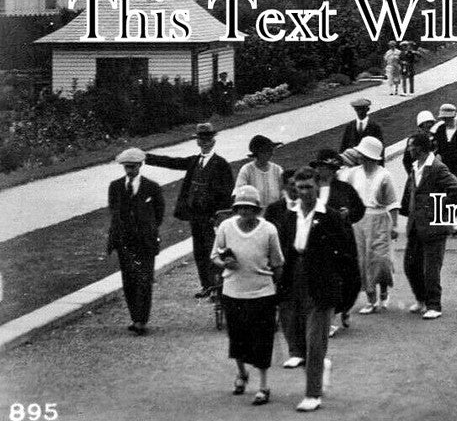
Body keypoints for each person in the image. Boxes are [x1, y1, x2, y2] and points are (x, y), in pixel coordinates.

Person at [277, 168, 361, 413]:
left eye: (308, 187)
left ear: (317, 187)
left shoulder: (331, 217)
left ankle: (312, 394)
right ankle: (320, 367)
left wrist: (343, 296)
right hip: (295, 282)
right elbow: (284, 252)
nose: (304, 192)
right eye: (299, 187)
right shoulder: (289, 217)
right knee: (297, 340)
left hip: (322, 284)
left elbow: (347, 258)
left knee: (315, 341)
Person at [211, 185, 285, 406]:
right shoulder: (225, 226)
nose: (244, 213)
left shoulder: (269, 230)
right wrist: (224, 262)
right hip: (233, 292)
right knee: (237, 338)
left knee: (262, 340)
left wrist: (275, 288)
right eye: (240, 208)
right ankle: (242, 373)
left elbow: (278, 263)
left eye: (249, 208)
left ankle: (263, 386)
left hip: (262, 293)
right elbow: (215, 255)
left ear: (258, 210)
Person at [144, 122, 233, 299]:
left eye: (208, 138)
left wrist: (218, 214)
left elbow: (227, 191)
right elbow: (172, 162)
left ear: (213, 141)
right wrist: (146, 157)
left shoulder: (221, 164)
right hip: (195, 215)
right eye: (201, 139)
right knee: (199, 251)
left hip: (211, 217)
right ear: (197, 142)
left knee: (213, 251)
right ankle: (206, 285)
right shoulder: (194, 162)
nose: (205, 142)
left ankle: (217, 288)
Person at [399, 132, 457, 318]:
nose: (408, 149)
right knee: (410, 265)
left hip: (434, 226)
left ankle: (434, 305)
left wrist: (437, 204)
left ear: (420, 148)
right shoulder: (415, 167)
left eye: (411, 146)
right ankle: (421, 299)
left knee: (431, 269)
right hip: (416, 225)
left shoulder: (436, 167)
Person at [304, 151, 365, 340]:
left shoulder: (345, 189)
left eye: (324, 167)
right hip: (317, 241)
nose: (320, 170)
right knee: (324, 279)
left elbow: (359, 209)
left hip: (341, 240)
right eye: (319, 167)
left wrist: (349, 212)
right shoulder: (311, 187)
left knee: (347, 277)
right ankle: (328, 320)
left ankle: (344, 309)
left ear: (332, 170)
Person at [107, 147, 164, 336]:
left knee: (144, 280)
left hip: (145, 242)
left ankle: (142, 320)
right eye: (126, 167)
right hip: (125, 242)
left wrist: (148, 229)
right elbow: (114, 213)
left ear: (140, 165)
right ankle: (135, 317)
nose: (129, 171)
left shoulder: (152, 187)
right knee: (129, 280)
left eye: (132, 167)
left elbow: (159, 214)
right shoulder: (115, 187)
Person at [343, 136, 400, 313]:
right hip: (359, 221)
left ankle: (383, 290)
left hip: (379, 220)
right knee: (362, 259)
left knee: (380, 259)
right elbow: (347, 196)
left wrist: (394, 226)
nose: (359, 157)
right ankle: (370, 298)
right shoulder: (353, 174)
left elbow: (392, 203)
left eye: (363, 154)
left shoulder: (384, 175)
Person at [235, 134, 285, 208]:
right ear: (259, 153)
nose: (272, 153)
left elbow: (284, 193)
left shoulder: (277, 170)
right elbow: (239, 192)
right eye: (268, 151)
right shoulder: (247, 170)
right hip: (254, 212)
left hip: (275, 212)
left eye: (272, 150)